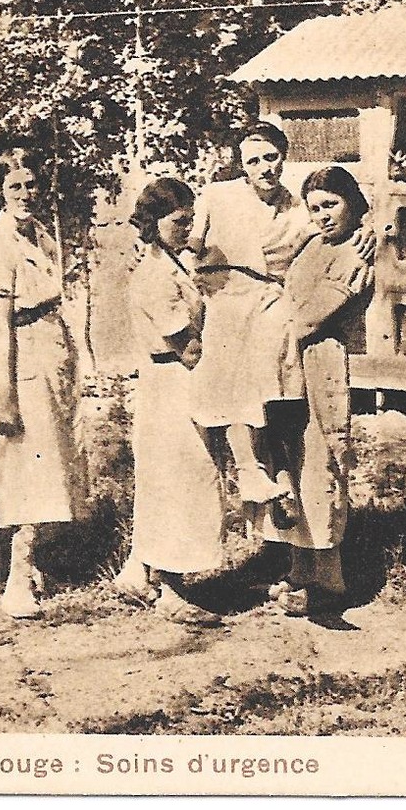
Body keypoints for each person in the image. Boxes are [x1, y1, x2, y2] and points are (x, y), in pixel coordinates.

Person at [0, 148, 87, 618]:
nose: (25, 194)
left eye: (32, 184)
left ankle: (30, 562)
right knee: (28, 469)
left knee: (59, 464)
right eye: (15, 186)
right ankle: (16, 580)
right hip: (21, 354)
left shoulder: (40, 235)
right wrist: (5, 399)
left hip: (54, 347)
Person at [257, 166, 374, 617]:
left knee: (320, 466)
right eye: (316, 208)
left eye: (332, 205)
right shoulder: (311, 244)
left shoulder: (355, 253)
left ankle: (331, 579)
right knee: (288, 458)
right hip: (288, 361)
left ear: (351, 203)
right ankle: (299, 567)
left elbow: (310, 317)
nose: (324, 216)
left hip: (321, 361)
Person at [111, 178, 225, 625]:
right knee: (182, 480)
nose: (187, 227)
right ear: (153, 222)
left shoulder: (170, 263)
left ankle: (138, 573)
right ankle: (172, 591)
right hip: (172, 378)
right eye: (179, 221)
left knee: (167, 478)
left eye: (190, 219)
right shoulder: (155, 275)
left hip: (173, 381)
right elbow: (189, 348)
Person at [188, 123, 318, 514]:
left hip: (269, 302)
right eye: (253, 161)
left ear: (285, 156)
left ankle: (271, 478)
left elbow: (335, 228)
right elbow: (187, 243)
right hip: (222, 296)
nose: (264, 168)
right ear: (242, 165)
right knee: (231, 377)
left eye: (271, 158)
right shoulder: (217, 196)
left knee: (268, 387)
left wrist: (369, 233)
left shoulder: (299, 210)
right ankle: (249, 470)